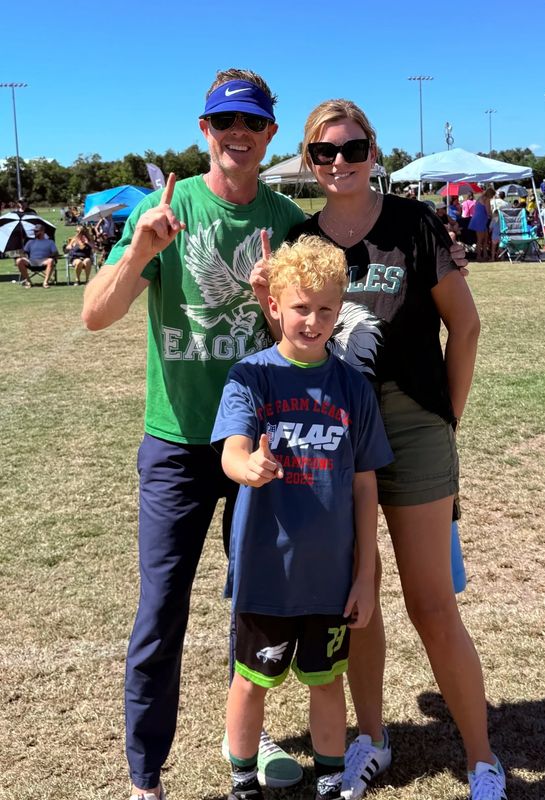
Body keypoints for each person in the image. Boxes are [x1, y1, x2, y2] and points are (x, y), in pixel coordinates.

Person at [263, 98, 506, 800]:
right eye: (325, 152)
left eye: (354, 147)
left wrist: (447, 416)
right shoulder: (304, 240)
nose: (341, 162)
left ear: (375, 151)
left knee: (432, 603)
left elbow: (467, 325)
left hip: (413, 424)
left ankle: (482, 758)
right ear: (309, 162)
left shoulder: (413, 222)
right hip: (335, 433)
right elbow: (289, 337)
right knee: (355, 597)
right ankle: (371, 738)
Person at [81, 68, 306, 800]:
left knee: (256, 603)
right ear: (203, 132)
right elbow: (95, 314)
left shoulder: (287, 218)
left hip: (256, 443)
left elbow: (306, 337)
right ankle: (146, 777)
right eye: (222, 122)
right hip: (176, 443)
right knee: (160, 611)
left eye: (251, 123)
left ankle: (248, 737)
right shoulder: (161, 208)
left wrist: (276, 305)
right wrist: (142, 250)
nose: (236, 134)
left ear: (270, 133)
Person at [211, 235, 393, 800]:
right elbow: (230, 451)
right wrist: (250, 466)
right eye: (299, 307)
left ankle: (331, 777)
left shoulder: (352, 388)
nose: (312, 320)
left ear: (340, 310)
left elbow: (366, 485)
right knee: (250, 681)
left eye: (325, 309)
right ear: (274, 306)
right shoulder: (252, 376)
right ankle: (243, 777)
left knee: (326, 679)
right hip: (267, 571)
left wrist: (365, 573)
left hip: (330, 577)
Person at [16, 223, 59, 288]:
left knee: (50, 260)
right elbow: (24, 252)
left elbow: (56, 253)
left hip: (44, 261)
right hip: (31, 262)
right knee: (19, 260)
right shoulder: (30, 242)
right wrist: (21, 252)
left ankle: (45, 282)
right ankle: (28, 281)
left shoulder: (50, 242)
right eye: (34, 231)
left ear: (42, 231)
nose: (34, 233)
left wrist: (50, 255)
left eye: (36, 231)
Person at [468, 188, 495, 261]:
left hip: (479, 220)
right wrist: (494, 217)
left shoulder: (480, 197)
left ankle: (485, 255)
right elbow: (488, 211)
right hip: (480, 220)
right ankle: (478, 256)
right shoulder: (487, 199)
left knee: (485, 238)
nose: (492, 197)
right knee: (480, 240)